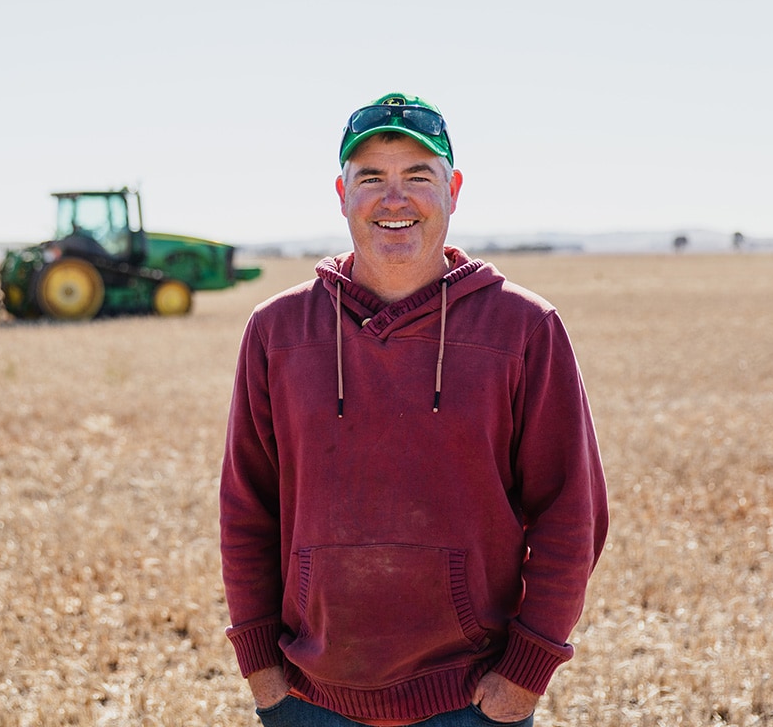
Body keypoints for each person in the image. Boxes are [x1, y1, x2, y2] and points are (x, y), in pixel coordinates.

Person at [219, 93, 609, 727]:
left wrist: (523, 678)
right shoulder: (277, 330)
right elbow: (247, 507)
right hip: (307, 699)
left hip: (471, 699)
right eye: (371, 177)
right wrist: (262, 672)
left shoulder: (523, 326)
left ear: (452, 190)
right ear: (341, 194)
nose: (392, 199)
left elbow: (572, 511)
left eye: (418, 177)